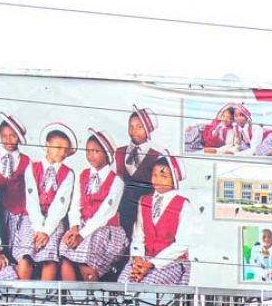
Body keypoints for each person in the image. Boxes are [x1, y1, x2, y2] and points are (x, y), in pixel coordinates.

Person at [60, 129, 128, 282]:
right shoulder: (82, 175)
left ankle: (92, 302)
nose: (90, 155)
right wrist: (74, 227)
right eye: (88, 151)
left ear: (107, 154)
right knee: (65, 250)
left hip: (105, 229)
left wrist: (82, 235)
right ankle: (69, 300)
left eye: (96, 151)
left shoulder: (116, 181)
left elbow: (105, 214)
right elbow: (75, 204)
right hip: (82, 226)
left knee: (85, 255)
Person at [14, 123, 77, 281]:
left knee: (49, 256)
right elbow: (32, 200)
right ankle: (22, 294)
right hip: (32, 218)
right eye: (58, 147)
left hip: (54, 221)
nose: (62, 152)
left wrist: (46, 231)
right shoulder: (32, 168)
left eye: (66, 149)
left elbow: (60, 206)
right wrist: (38, 228)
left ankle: (44, 296)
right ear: (47, 145)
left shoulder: (67, 174)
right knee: (27, 253)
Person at [119, 153, 191, 286]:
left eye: (163, 176)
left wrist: (152, 264)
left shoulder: (183, 205)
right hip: (144, 259)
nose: (157, 180)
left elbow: (182, 244)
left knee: (147, 284)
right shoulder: (144, 201)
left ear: (174, 179)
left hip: (170, 262)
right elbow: (138, 235)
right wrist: (138, 260)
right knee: (122, 283)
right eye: (154, 175)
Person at [115, 106, 161, 238]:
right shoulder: (118, 152)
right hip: (120, 209)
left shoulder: (157, 156)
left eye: (139, 127)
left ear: (148, 130)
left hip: (144, 211)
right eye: (131, 126)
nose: (134, 131)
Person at [0, 112, 31, 252]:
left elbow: (30, 189)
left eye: (12, 136)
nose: (8, 140)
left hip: (18, 209)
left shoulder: (26, 161)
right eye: (4, 136)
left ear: (19, 138)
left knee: (14, 243)